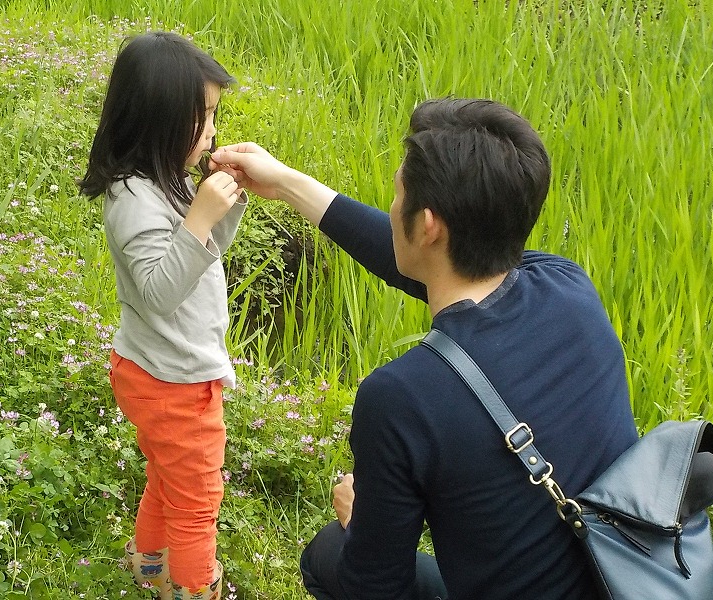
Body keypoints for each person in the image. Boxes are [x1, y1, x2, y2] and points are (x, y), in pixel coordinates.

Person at [210, 97, 639, 599]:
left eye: (397, 195)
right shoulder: (568, 286)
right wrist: (285, 183)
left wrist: (360, 518)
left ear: (429, 225)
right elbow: (431, 267)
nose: (392, 207)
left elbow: (376, 589)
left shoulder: (401, 398)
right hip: (624, 578)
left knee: (331, 553)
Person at [78, 31, 246, 600]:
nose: (211, 133)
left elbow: (203, 252)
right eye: (202, 119)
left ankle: (149, 567)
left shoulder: (156, 180)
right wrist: (200, 216)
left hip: (154, 370)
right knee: (197, 508)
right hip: (176, 384)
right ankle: (195, 589)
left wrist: (223, 205)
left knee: (167, 484)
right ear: (159, 120)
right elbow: (158, 290)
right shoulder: (134, 200)